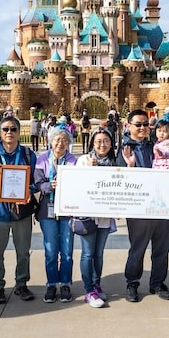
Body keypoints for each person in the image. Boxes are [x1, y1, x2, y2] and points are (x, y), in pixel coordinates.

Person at [117, 110, 169, 303]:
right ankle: (132, 282)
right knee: (138, 247)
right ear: (129, 126)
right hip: (139, 208)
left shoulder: (157, 145)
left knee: (162, 247)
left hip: (161, 204)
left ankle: (158, 282)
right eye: (138, 124)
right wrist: (130, 166)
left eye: (145, 124)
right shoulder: (125, 150)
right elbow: (120, 179)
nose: (142, 128)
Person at [0, 115, 38, 304]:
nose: (9, 133)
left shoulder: (28, 155)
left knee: (23, 251)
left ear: (19, 132)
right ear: (0, 132)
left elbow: (35, 182)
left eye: (13, 129)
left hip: (21, 212)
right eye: (5, 129)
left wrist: (28, 192)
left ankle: (21, 283)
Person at [75, 127, 118, 308]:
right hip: (88, 215)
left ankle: (96, 283)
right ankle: (89, 290)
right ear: (92, 142)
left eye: (106, 141)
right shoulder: (84, 160)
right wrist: (90, 171)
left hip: (104, 215)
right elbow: (76, 185)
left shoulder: (114, 162)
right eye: (99, 141)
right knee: (87, 254)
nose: (102, 144)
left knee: (98, 254)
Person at [34, 127, 77, 303]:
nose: (60, 143)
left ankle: (65, 283)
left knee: (66, 251)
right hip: (47, 210)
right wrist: (48, 186)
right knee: (51, 250)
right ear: (51, 141)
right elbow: (37, 183)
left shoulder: (74, 161)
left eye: (64, 140)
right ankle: (52, 283)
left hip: (68, 211)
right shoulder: (42, 160)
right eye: (57, 140)